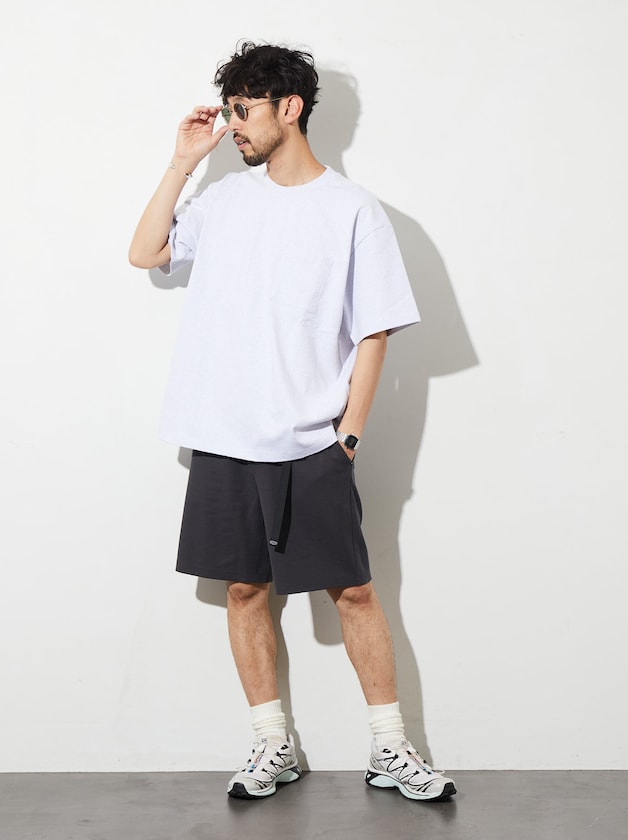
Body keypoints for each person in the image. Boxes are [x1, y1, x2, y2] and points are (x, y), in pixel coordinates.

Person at [129, 41, 456, 803]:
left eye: (243, 109)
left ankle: (390, 748)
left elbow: (375, 331)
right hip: (223, 436)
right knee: (245, 590)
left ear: (291, 108)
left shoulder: (353, 210)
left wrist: (349, 436)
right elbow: (145, 252)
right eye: (229, 108)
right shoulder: (222, 202)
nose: (232, 124)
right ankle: (272, 743)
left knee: (354, 593)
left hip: (312, 441)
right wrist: (183, 162)